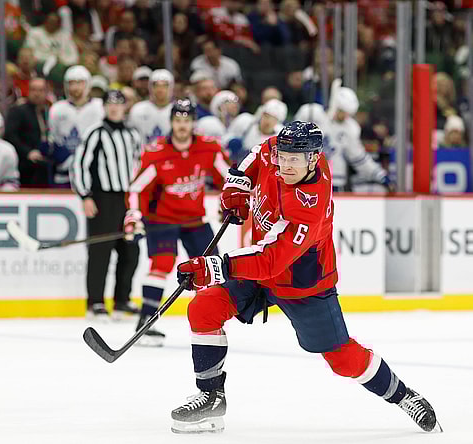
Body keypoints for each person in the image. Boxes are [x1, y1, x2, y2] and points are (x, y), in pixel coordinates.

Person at [170, 121, 441, 435]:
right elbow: (259, 152)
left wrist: (211, 268)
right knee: (204, 308)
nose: (285, 164)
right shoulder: (285, 151)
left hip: (303, 284)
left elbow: (270, 260)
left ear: (314, 159)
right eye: (283, 157)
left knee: (342, 360)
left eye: (293, 160)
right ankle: (211, 397)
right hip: (261, 273)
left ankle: (402, 395)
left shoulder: (308, 205)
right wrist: (238, 184)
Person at [125, 99, 230, 346]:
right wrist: (133, 216)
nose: (182, 126)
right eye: (177, 120)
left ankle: (210, 321)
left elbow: (230, 178)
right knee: (161, 263)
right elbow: (136, 189)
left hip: (194, 219)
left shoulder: (209, 148)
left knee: (212, 267)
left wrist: (228, 203)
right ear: (171, 122)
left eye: (186, 121)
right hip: (162, 219)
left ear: (193, 122)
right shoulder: (156, 153)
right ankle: (145, 322)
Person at [72, 89, 141, 320]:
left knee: (130, 249)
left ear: (125, 107)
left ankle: (122, 300)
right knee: (100, 250)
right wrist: (85, 196)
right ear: (104, 107)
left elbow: (140, 164)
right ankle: (96, 302)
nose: (114, 108)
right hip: (103, 198)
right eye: (109, 104)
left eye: (118, 103)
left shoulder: (133, 134)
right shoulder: (96, 133)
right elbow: (80, 164)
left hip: (128, 199)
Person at [47, 65, 104, 187]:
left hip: (94, 172)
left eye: (80, 83)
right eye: (71, 83)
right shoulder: (57, 109)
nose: (75, 87)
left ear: (88, 84)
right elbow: (53, 140)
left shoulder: (100, 107)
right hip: (64, 173)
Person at [4, 77, 50, 187]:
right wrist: (28, 152)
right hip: (24, 164)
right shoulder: (18, 111)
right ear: (28, 91)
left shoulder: (49, 112)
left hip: (44, 163)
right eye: (34, 90)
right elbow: (10, 135)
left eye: (40, 90)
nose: (37, 94)